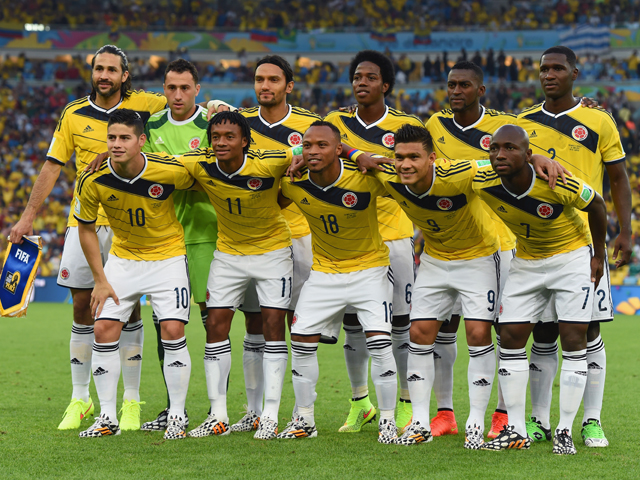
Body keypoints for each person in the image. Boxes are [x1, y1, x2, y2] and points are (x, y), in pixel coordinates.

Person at [368, 124, 563, 448]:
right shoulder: (388, 175)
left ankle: (475, 422)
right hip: (435, 260)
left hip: (478, 259)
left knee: (477, 333)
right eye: (400, 157)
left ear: (432, 158)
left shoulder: (459, 173)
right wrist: (355, 153)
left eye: (414, 157)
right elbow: (340, 157)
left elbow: (502, 162)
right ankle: (419, 423)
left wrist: (536, 157)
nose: (405, 164)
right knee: (419, 334)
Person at [9, 45, 167, 431]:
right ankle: (80, 399)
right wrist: (28, 215)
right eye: (99, 68)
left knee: (129, 309)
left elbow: (186, 108)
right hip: (85, 222)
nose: (104, 75)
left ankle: (131, 401)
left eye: (112, 69)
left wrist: (214, 104)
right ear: (92, 71)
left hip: (131, 223)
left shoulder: (148, 104)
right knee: (81, 306)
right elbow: (53, 165)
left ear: (125, 75)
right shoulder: (73, 113)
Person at [517, 45, 631, 447]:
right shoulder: (522, 122)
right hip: (537, 244)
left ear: (574, 73)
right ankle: (538, 420)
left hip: (585, 243)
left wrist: (625, 232)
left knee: (588, 331)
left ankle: (591, 421)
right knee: (543, 332)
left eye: (557, 68)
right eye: (543, 69)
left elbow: (618, 178)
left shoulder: (598, 119)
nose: (549, 75)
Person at [478, 125, 608, 455]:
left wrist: (598, 255)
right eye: (494, 148)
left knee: (574, 338)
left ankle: (564, 430)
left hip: (571, 257)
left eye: (510, 148)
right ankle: (516, 430)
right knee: (509, 337)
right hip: (527, 260)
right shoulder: (482, 179)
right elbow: (445, 169)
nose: (500, 155)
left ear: (527, 153)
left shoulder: (556, 180)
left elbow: (597, 205)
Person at [214, 55, 320, 432]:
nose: (265, 86)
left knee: (300, 325)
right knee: (256, 323)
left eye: (273, 80)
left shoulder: (309, 124)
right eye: (260, 79)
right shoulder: (240, 124)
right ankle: (255, 411)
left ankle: (303, 412)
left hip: (300, 234)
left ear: (288, 86)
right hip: (255, 240)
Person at [74, 109, 194, 440]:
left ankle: (177, 416)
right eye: (111, 138)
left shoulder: (168, 169)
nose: (116, 144)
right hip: (123, 259)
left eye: (124, 138)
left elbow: (202, 176)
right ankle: (107, 417)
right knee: (103, 329)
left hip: (168, 258)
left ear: (141, 141)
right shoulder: (92, 178)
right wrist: (100, 279)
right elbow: (85, 228)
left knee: (172, 329)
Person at [276, 121, 399, 444]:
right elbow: (272, 196)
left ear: (338, 149)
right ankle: (304, 419)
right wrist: (287, 165)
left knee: (379, 343)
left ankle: (388, 421)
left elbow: (404, 174)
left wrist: (358, 155)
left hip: (369, 270)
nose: (313, 151)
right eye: (307, 145)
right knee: (301, 341)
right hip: (324, 273)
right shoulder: (293, 182)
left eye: (322, 145)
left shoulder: (364, 177)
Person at [324, 50, 424, 435]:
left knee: (400, 325)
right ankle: (360, 402)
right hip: (349, 238)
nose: (361, 82)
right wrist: (356, 153)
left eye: (369, 77)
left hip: (394, 236)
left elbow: (423, 168)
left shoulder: (406, 125)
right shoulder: (336, 122)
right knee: (354, 325)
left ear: (386, 84)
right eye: (356, 77)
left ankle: (405, 402)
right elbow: (320, 147)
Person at [181, 112, 293, 440]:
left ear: (245, 141)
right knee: (215, 325)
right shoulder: (199, 163)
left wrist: (356, 153)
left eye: (229, 137)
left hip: (273, 252)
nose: (221, 142)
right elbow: (155, 162)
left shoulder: (270, 161)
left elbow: (311, 149)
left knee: (272, 327)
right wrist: (108, 155)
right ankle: (218, 415)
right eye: (216, 137)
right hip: (228, 255)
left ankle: (269, 415)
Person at [425, 60, 517, 438]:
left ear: (481, 91)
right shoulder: (435, 125)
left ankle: (502, 414)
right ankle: (445, 413)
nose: (456, 91)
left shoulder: (503, 126)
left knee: (498, 330)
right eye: (451, 85)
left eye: (464, 85)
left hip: (497, 243)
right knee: (442, 330)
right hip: (448, 243)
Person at [138, 58, 218, 432]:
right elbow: (149, 173)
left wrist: (173, 168)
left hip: (205, 233)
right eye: (171, 87)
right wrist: (184, 168)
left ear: (197, 89)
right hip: (164, 236)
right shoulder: (151, 125)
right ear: (164, 89)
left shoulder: (212, 124)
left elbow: (210, 175)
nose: (178, 94)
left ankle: (217, 410)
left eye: (185, 87)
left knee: (213, 321)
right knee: (164, 323)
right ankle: (174, 409)